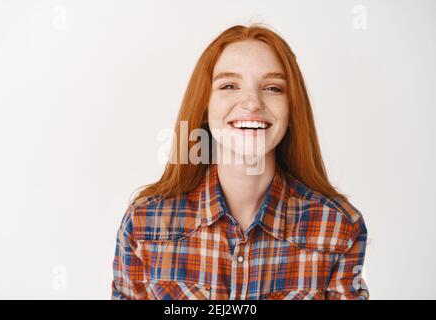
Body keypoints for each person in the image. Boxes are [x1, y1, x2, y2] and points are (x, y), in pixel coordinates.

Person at [111, 23, 369, 300]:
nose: (251, 102)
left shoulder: (339, 226)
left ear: (292, 109)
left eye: (272, 88)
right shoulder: (144, 222)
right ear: (205, 107)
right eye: (229, 85)